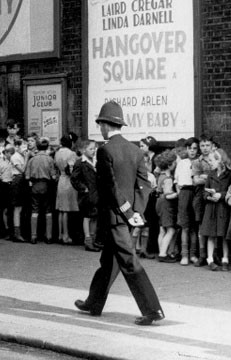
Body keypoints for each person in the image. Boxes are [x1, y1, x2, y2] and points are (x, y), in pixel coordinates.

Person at [75, 101, 164, 326]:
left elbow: (110, 186)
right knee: (109, 261)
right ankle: (93, 302)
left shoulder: (105, 150)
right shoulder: (135, 150)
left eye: (100, 124)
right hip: (130, 215)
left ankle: (152, 309)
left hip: (115, 216)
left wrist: (125, 211)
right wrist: (136, 212)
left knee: (128, 262)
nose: (100, 128)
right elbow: (144, 184)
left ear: (105, 125)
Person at [199, 150, 231, 270]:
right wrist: (209, 196)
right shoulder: (211, 175)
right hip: (211, 208)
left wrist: (221, 195)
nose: (209, 162)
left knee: (223, 234)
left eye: (211, 160)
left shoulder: (229, 175)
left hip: (223, 208)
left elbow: (230, 190)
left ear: (219, 160)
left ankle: (225, 259)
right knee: (211, 234)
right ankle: (210, 259)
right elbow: (204, 192)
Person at [70, 139, 99, 251]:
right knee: (87, 216)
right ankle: (88, 240)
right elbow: (74, 179)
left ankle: (93, 238)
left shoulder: (96, 161)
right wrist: (84, 188)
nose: (93, 151)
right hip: (86, 195)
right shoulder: (80, 162)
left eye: (94, 148)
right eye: (91, 149)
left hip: (96, 193)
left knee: (95, 216)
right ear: (83, 150)